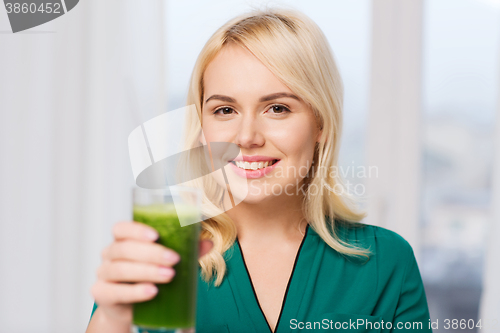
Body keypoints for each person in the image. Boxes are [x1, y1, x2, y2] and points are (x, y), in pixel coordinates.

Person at [87, 8, 433, 333]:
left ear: (321, 123)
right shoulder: (163, 257)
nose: (247, 137)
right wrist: (111, 318)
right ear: (201, 126)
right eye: (224, 110)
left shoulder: (385, 261)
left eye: (277, 108)